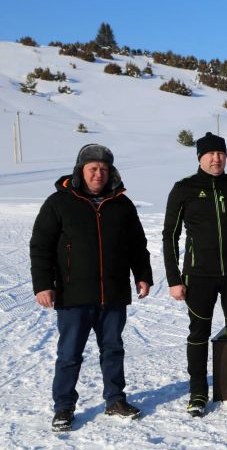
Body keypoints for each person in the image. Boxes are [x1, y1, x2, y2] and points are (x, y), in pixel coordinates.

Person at [30, 144, 153, 432]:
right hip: (73, 295)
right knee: (70, 353)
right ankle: (63, 407)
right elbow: (41, 247)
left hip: (113, 293)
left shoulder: (122, 204)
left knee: (113, 349)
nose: (98, 174)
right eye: (92, 169)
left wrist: (142, 275)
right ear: (80, 171)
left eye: (103, 169)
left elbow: (137, 245)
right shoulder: (58, 203)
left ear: (111, 172)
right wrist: (43, 285)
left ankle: (115, 399)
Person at [162, 132, 227, 416]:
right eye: (210, 154)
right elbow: (169, 236)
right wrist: (174, 279)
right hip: (198, 276)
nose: (216, 158)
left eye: (220, 153)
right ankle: (198, 393)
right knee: (198, 333)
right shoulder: (184, 188)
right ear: (200, 157)